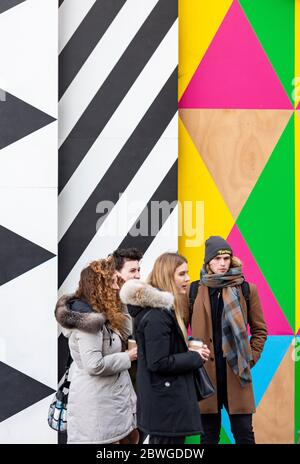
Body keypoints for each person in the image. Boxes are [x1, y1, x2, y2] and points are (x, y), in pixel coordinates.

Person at [120, 252, 210, 445]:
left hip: (166, 404)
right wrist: (194, 357)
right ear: (167, 276)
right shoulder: (157, 316)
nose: (187, 279)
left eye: (187, 273)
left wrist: (189, 346)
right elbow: (158, 362)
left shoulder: (162, 311)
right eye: (182, 274)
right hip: (166, 406)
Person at [190, 236, 268, 444]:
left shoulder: (245, 289)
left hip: (237, 371)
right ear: (208, 262)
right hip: (205, 374)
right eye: (217, 258)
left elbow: (260, 329)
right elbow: (180, 331)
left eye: (226, 258)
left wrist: (250, 358)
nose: (222, 263)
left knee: (244, 434)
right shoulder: (194, 290)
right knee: (208, 437)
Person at [55, 257, 138, 444]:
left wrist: (120, 300)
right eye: (113, 283)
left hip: (106, 402)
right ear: (100, 286)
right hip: (97, 407)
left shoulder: (100, 313)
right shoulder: (88, 321)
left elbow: (126, 330)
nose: (117, 288)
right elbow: (94, 365)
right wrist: (128, 356)